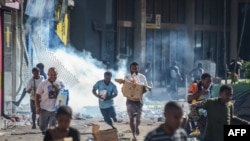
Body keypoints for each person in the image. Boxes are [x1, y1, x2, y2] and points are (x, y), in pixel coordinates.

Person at [35, 67, 65, 135]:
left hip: (55, 109)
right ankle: (41, 122)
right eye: (51, 74)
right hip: (44, 108)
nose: (53, 76)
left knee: (52, 128)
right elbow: (37, 95)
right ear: (48, 74)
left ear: (57, 74)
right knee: (42, 127)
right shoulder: (43, 83)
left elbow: (63, 94)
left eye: (55, 74)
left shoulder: (60, 83)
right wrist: (37, 107)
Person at [124, 62, 148, 139]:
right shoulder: (127, 77)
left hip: (139, 101)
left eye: (136, 68)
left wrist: (140, 91)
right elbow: (125, 88)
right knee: (131, 118)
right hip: (130, 100)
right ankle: (134, 136)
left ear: (138, 68)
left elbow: (146, 88)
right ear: (130, 69)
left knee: (138, 119)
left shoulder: (142, 77)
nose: (134, 70)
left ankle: (137, 126)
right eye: (133, 68)